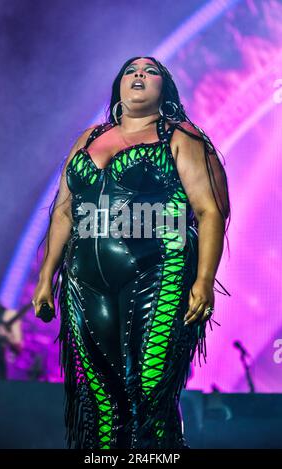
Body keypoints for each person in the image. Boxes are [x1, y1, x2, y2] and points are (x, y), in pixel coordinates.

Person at [33, 56, 231, 449]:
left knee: (150, 391)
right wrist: (45, 278)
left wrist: (205, 280)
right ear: (119, 87)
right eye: (131, 71)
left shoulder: (181, 136)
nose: (139, 74)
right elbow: (62, 210)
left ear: (164, 89)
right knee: (101, 401)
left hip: (160, 272)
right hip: (84, 280)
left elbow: (211, 210)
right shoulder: (88, 138)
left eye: (150, 71)